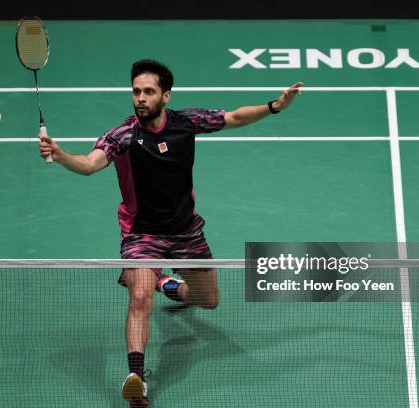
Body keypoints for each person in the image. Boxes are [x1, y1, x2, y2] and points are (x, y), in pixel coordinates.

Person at [39, 59, 302, 407]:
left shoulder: (186, 123)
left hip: (185, 232)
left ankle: (169, 284)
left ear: (166, 95)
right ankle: (136, 377)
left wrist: (274, 107)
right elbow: (89, 165)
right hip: (142, 234)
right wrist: (60, 156)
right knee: (139, 299)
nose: (140, 98)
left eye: (148, 91)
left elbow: (234, 117)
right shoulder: (123, 136)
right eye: (136, 91)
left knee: (207, 300)